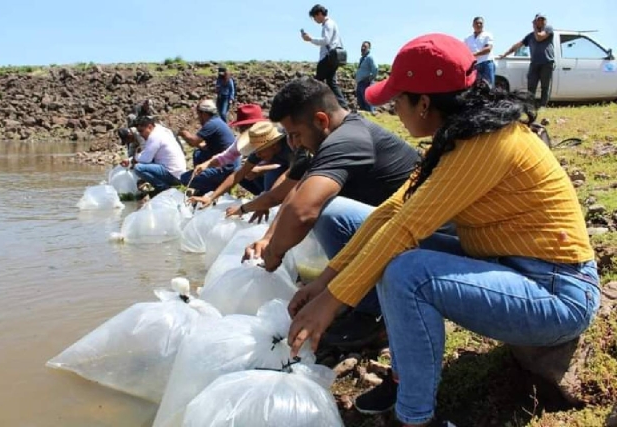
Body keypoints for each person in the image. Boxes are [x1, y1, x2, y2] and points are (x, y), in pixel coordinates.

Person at [286, 33, 600, 427]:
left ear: (424, 102)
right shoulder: (460, 135)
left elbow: (405, 228)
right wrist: (328, 281)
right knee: (367, 232)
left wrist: (329, 303)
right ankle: (404, 378)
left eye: (398, 99)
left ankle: (416, 419)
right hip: (507, 263)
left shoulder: (488, 142)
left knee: (406, 271)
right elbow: (392, 212)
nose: (394, 108)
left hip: (556, 293)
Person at [243, 76, 421, 351]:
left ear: (321, 120)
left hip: (423, 242)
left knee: (328, 212)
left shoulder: (348, 140)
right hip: (395, 228)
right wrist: (270, 237)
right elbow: (297, 193)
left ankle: (373, 312)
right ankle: (357, 298)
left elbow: (303, 211)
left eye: (296, 134)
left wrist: (273, 255)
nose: (295, 144)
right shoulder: (334, 137)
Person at [190, 121, 293, 209]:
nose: (257, 155)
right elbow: (238, 173)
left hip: (300, 169)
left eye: (260, 152)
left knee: (273, 181)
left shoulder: (292, 146)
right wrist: (211, 197)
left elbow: (292, 173)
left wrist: (265, 201)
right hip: (286, 167)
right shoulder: (261, 146)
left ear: (274, 145)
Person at [192, 103, 270, 196]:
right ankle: (261, 196)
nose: (244, 130)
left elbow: (287, 167)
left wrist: (262, 169)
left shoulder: (271, 139)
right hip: (256, 175)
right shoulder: (243, 140)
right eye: (242, 128)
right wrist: (206, 164)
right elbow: (226, 156)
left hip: (278, 178)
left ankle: (270, 198)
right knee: (239, 171)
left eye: (248, 127)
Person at [179, 100, 238, 196]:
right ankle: (207, 184)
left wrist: (184, 133)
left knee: (184, 178)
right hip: (228, 161)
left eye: (199, 114)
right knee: (198, 153)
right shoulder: (217, 121)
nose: (198, 118)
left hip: (226, 166)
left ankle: (213, 190)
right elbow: (205, 147)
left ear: (204, 113)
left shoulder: (212, 124)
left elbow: (193, 141)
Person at [499, 13, 555, 108]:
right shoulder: (529, 36)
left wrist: (534, 27)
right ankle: (530, 105)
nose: (541, 21)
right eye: (539, 20)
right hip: (534, 63)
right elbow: (518, 45)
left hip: (547, 63)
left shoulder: (548, 29)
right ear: (535, 21)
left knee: (545, 86)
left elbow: (539, 37)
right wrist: (505, 54)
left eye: (543, 19)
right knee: (531, 86)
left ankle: (543, 106)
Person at [122, 116, 187, 194]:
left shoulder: (154, 137)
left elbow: (145, 159)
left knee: (138, 168)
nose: (140, 134)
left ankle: (164, 188)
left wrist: (135, 157)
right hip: (180, 174)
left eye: (141, 131)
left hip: (174, 175)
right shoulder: (161, 130)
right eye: (139, 132)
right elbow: (145, 153)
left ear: (149, 127)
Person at [301, 4, 349, 109]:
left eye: (314, 17)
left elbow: (325, 40)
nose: (314, 20)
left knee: (317, 81)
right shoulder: (332, 24)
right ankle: (342, 105)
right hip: (334, 57)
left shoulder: (328, 24)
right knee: (331, 82)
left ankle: (314, 105)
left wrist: (310, 39)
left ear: (319, 14)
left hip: (327, 57)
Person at [464, 16, 495, 87]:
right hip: (474, 65)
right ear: (473, 25)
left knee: (488, 87)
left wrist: (474, 54)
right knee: (476, 87)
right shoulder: (468, 38)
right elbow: (464, 50)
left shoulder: (487, 35)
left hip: (486, 63)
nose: (479, 25)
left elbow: (488, 49)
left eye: (481, 23)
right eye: (477, 23)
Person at [355, 41, 378, 113]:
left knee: (368, 103)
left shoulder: (370, 58)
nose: (363, 48)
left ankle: (372, 115)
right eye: (362, 46)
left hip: (366, 84)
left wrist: (369, 78)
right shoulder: (362, 58)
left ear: (369, 48)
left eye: (365, 46)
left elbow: (375, 69)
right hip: (360, 83)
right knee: (361, 104)